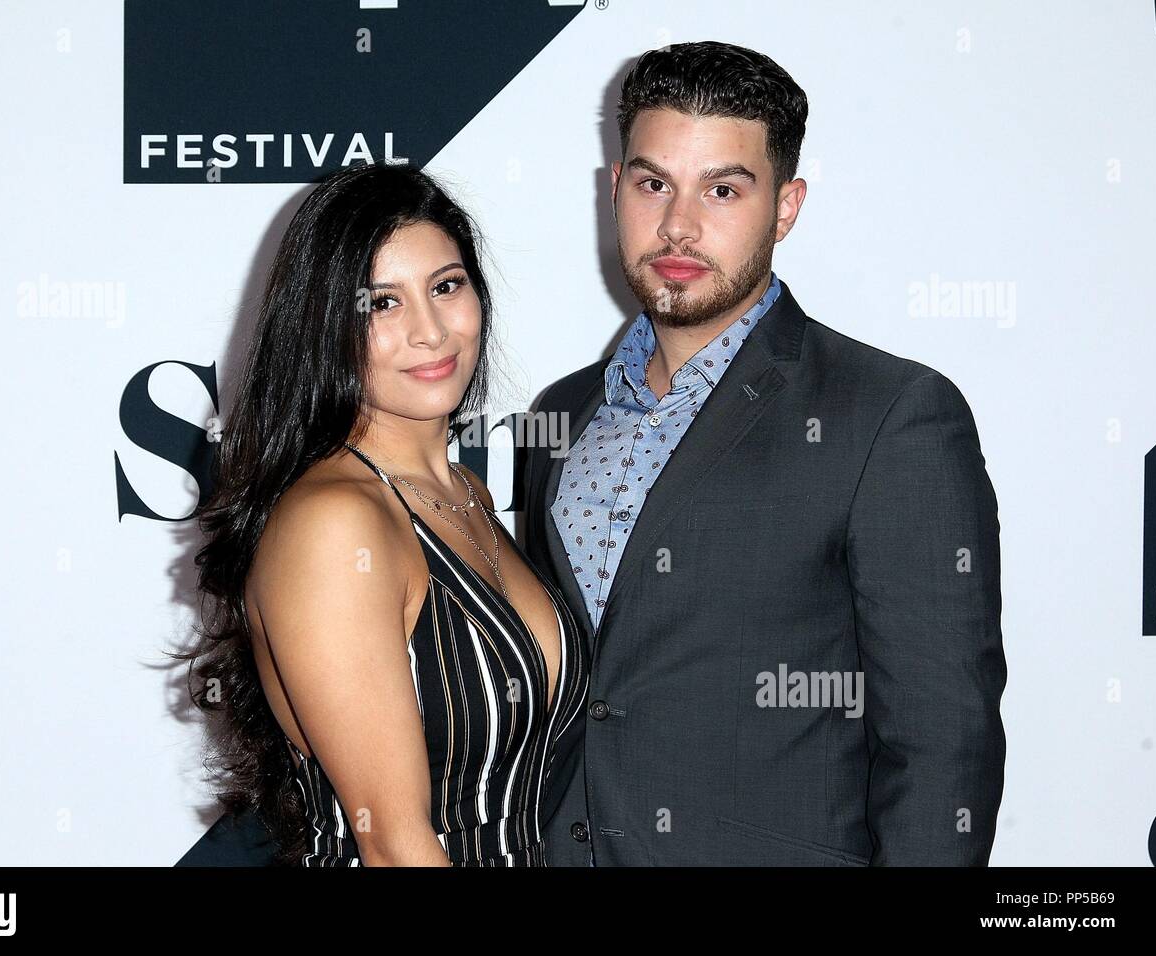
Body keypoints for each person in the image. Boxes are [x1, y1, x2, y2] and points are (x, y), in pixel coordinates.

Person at [523, 41, 1007, 866]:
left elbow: (943, 744)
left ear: (786, 207)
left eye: (723, 188)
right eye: (652, 184)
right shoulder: (562, 413)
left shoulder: (891, 414)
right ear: (614, 191)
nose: (678, 224)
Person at [181, 161, 590, 866]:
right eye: (381, 304)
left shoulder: (468, 496)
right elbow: (394, 845)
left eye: (446, 286)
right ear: (323, 328)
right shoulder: (335, 522)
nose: (430, 331)